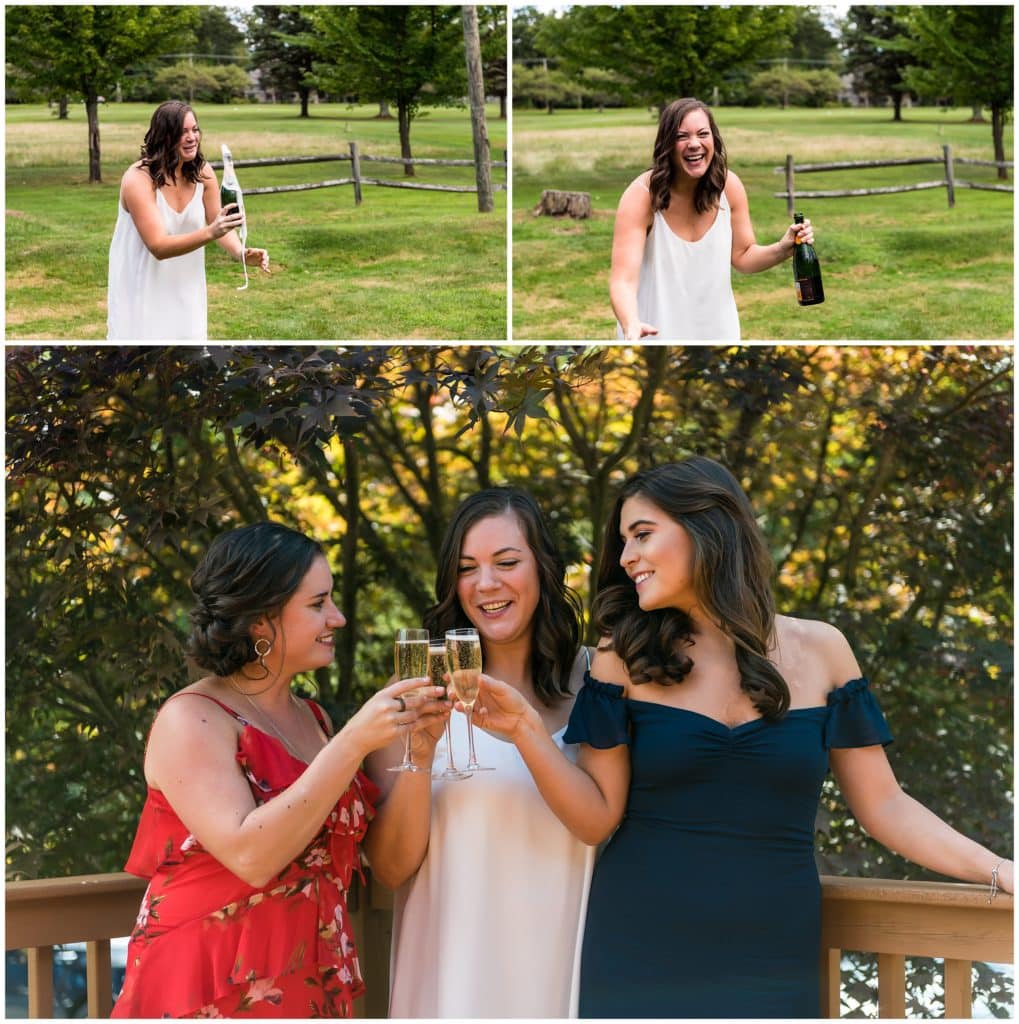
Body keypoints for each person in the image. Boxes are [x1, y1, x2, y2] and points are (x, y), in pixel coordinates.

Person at [468, 457, 1014, 1018]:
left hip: (776, 956)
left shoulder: (824, 650)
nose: (627, 556)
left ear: (708, 526)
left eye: (643, 534)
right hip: (638, 953)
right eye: (624, 540)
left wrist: (1000, 870)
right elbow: (596, 818)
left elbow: (887, 806)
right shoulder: (621, 658)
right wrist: (525, 733)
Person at [113, 522, 444, 1018]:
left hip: (306, 977)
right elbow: (250, 855)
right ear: (261, 622)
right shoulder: (193, 718)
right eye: (318, 604)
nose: (339, 617)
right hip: (209, 981)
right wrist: (354, 740)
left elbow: (391, 865)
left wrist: (421, 748)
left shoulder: (313, 721)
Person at [364, 488, 596, 1017]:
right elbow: (391, 867)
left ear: (544, 568)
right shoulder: (413, 691)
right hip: (452, 985)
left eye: (507, 562)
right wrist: (420, 755)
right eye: (468, 568)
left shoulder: (598, 684)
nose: (486, 584)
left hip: (565, 977)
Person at [610, 96, 814, 342]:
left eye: (702, 134)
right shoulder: (641, 196)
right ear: (666, 144)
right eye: (681, 136)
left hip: (718, 336)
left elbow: (743, 256)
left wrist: (784, 248)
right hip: (653, 336)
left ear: (714, 141)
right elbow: (623, 280)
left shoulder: (729, 186)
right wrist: (630, 323)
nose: (694, 144)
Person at [107, 100, 270, 341]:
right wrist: (211, 232)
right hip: (142, 290)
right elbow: (158, 246)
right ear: (164, 136)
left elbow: (220, 224)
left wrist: (240, 252)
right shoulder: (138, 179)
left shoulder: (203, 173)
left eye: (195, 130)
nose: (192, 137)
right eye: (183, 132)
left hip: (187, 287)